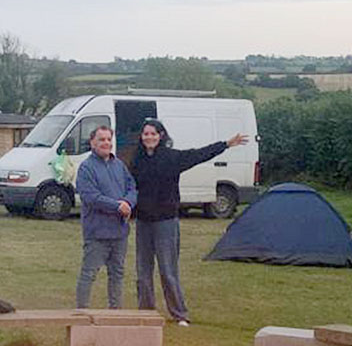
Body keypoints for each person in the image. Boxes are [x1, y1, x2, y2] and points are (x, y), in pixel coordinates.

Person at [130, 118, 248, 326]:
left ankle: (179, 314)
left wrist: (226, 144)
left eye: (153, 133)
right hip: (143, 222)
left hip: (166, 221)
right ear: (141, 137)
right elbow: (129, 186)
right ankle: (145, 313)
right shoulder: (137, 160)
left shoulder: (172, 157)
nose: (149, 137)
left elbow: (199, 154)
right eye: (145, 134)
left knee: (168, 271)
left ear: (161, 136)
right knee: (143, 272)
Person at [75, 125, 137, 308]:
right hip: (97, 233)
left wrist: (128, 203)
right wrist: (118, 206)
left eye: (109, 139)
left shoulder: (119, 165)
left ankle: (115, 313)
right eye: (101, 139)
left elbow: (132, 187)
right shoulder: (86, 168)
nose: (106, 143)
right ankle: (82, 314)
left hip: (119, 232)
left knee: (117, 274)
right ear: (92, 142)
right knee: (89, 274)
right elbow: (90, 197)